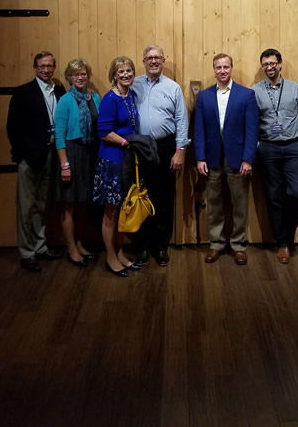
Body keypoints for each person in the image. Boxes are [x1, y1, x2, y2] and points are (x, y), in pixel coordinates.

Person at [194, 53, 259, 265]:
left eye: (226, 67)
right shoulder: (203, 97)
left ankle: (239, 246)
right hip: (212, 159)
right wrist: (200, 157)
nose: (222, 71)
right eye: (218, 67)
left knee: (239, 204)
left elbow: (252, 130)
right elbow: (199, 130)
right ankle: (216, 244)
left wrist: (248, 159)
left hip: (238, 159)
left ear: (232, 68)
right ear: (214, 69)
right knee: (214, 204)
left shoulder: (246, 95)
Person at [6, 51, 65, 272]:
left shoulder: (59, 90)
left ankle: (41, 247)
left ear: (54, 67)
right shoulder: (23, 93)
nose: (46, 70)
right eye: (42, 66)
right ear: (35, 67)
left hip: (52, 154)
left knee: (42, 204)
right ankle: (27, 252)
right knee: (26, 206)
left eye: (50, 66)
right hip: (30, 157)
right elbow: (13, 128)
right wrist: (23, 154)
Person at [131, 45, 189, 267]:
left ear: (163, 60)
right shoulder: (133, 84)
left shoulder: (173, 88)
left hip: (165, 147)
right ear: (143, 61)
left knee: (164, 197)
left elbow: (182, 121)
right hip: (139, 148)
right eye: (149, 58)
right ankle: (142, 246)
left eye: (157, 57)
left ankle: (161, 246)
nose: (153, 61)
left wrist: (180, 151)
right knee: (140, 196)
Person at [252, 48, 298, 264]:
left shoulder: (295, 89)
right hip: (268, 149)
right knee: (274, 197)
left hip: (294, 147)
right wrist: (258, 146)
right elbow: (253, 122)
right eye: (265, 64)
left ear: (280, 64)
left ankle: (286, 232)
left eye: (272, 63)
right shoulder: (255, 91)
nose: (269, 67)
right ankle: (283, 243)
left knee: (297, 194)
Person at [93, 56, 141, 277]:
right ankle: (110, 257)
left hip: (128, 160)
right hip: (112, 160)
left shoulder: (131, 96)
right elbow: (103, 132)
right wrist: (125, 142)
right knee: (111, 211)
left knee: (124, 208)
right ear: (114, 74)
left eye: (129, 70)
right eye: (121, 71)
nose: (126, 74)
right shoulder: (110, 99)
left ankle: (120, 252)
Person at [54, 58, 101, 268]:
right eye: (75, 75)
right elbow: (59, 136)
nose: (80, 77)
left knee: (84, 204)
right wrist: (65, 165)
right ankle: (71, 248)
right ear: (69, 78)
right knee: (70, 205)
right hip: (72, 154)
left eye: (83, 74)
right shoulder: (65, 100)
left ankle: (80, 243)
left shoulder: (96, 98)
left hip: (91, 153)